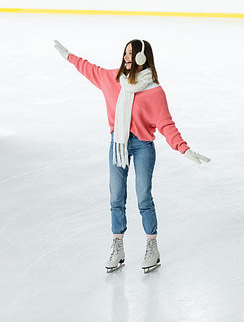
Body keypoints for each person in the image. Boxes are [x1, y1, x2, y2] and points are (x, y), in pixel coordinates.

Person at [54, 39, 210, 273]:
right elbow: (88, 68)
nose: (127, 56)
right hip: (117, 144)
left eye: (132, 53)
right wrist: (68, 55)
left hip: (142, 146)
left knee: (143, 198)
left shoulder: (154, 91)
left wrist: (183, 148)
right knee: (116, 198)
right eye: (125, 52)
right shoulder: (112, 79)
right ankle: (118, 246)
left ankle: (152, 246)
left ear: (141, 57)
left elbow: (166, 124)